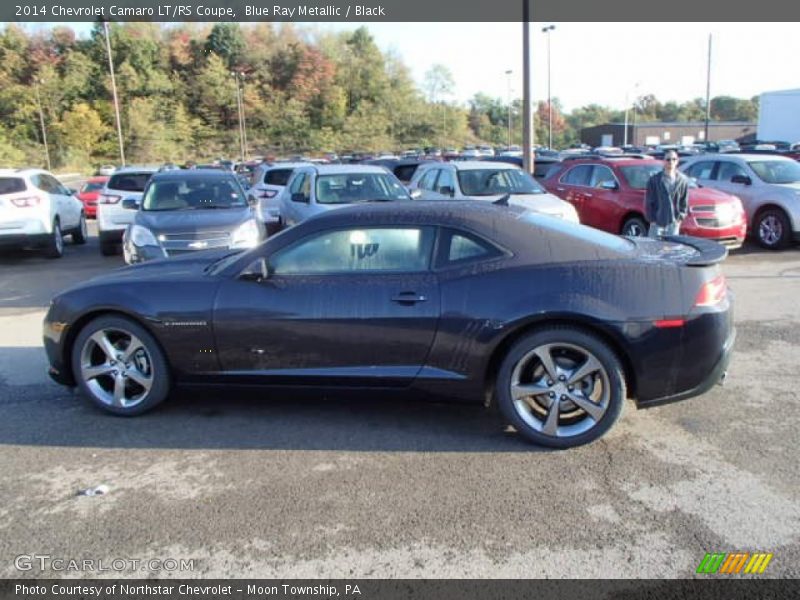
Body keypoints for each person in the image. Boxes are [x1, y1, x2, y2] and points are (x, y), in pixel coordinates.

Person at [645, 150, 689, 238]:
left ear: (677, 161)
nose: (671, 162)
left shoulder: (683, 180)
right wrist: (652, 220)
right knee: (654, 249)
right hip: (657, 224)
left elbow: (684, 202)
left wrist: (679, 219)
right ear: (663, 161)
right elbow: (649, 201)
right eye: (668, 159)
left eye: (674, 159)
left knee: (671, 250)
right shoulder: (655, 180)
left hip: (673, 224)